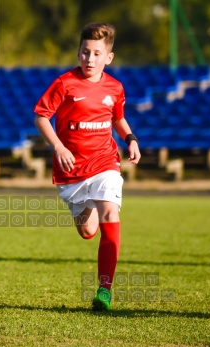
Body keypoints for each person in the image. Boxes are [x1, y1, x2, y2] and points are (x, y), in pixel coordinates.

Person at [34, 22, 141, 311]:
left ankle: (104, 289)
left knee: (110, 213)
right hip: (72, 172)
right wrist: (58, 146)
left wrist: (130, 138)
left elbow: (117, 118)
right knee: (87, 231)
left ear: (109, 57)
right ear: (78, 52)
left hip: (106, 162)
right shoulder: (64, 83)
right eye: (84, 52)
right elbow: (42, 117)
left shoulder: (115, 88)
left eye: (96, 54)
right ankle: (85, 209)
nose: (89, 59)